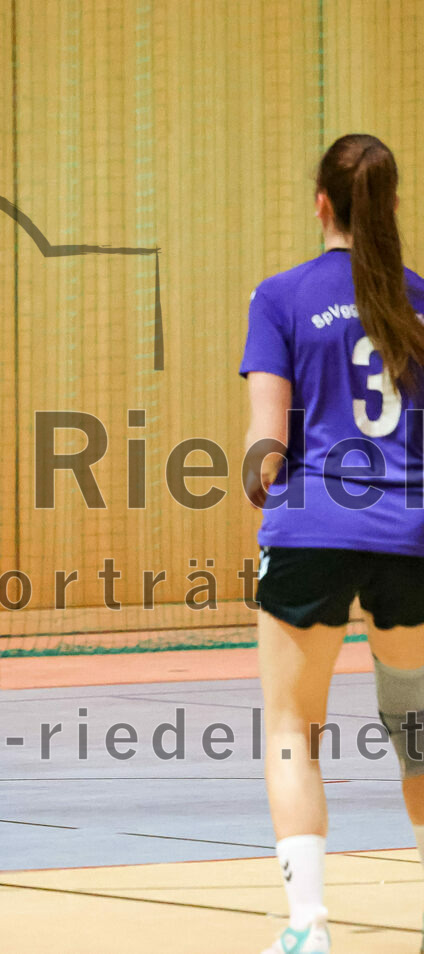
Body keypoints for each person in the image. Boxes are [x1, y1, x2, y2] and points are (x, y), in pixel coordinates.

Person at [241, 134, 424, 954]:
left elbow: (267, 445)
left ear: (322, 203)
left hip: (313, 526)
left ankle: (308, 928)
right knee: (416, 731)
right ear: (391, 205)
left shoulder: (280, 297)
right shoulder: (420, 300)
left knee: (292, 728)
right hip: (411, 534)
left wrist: (263, 492)